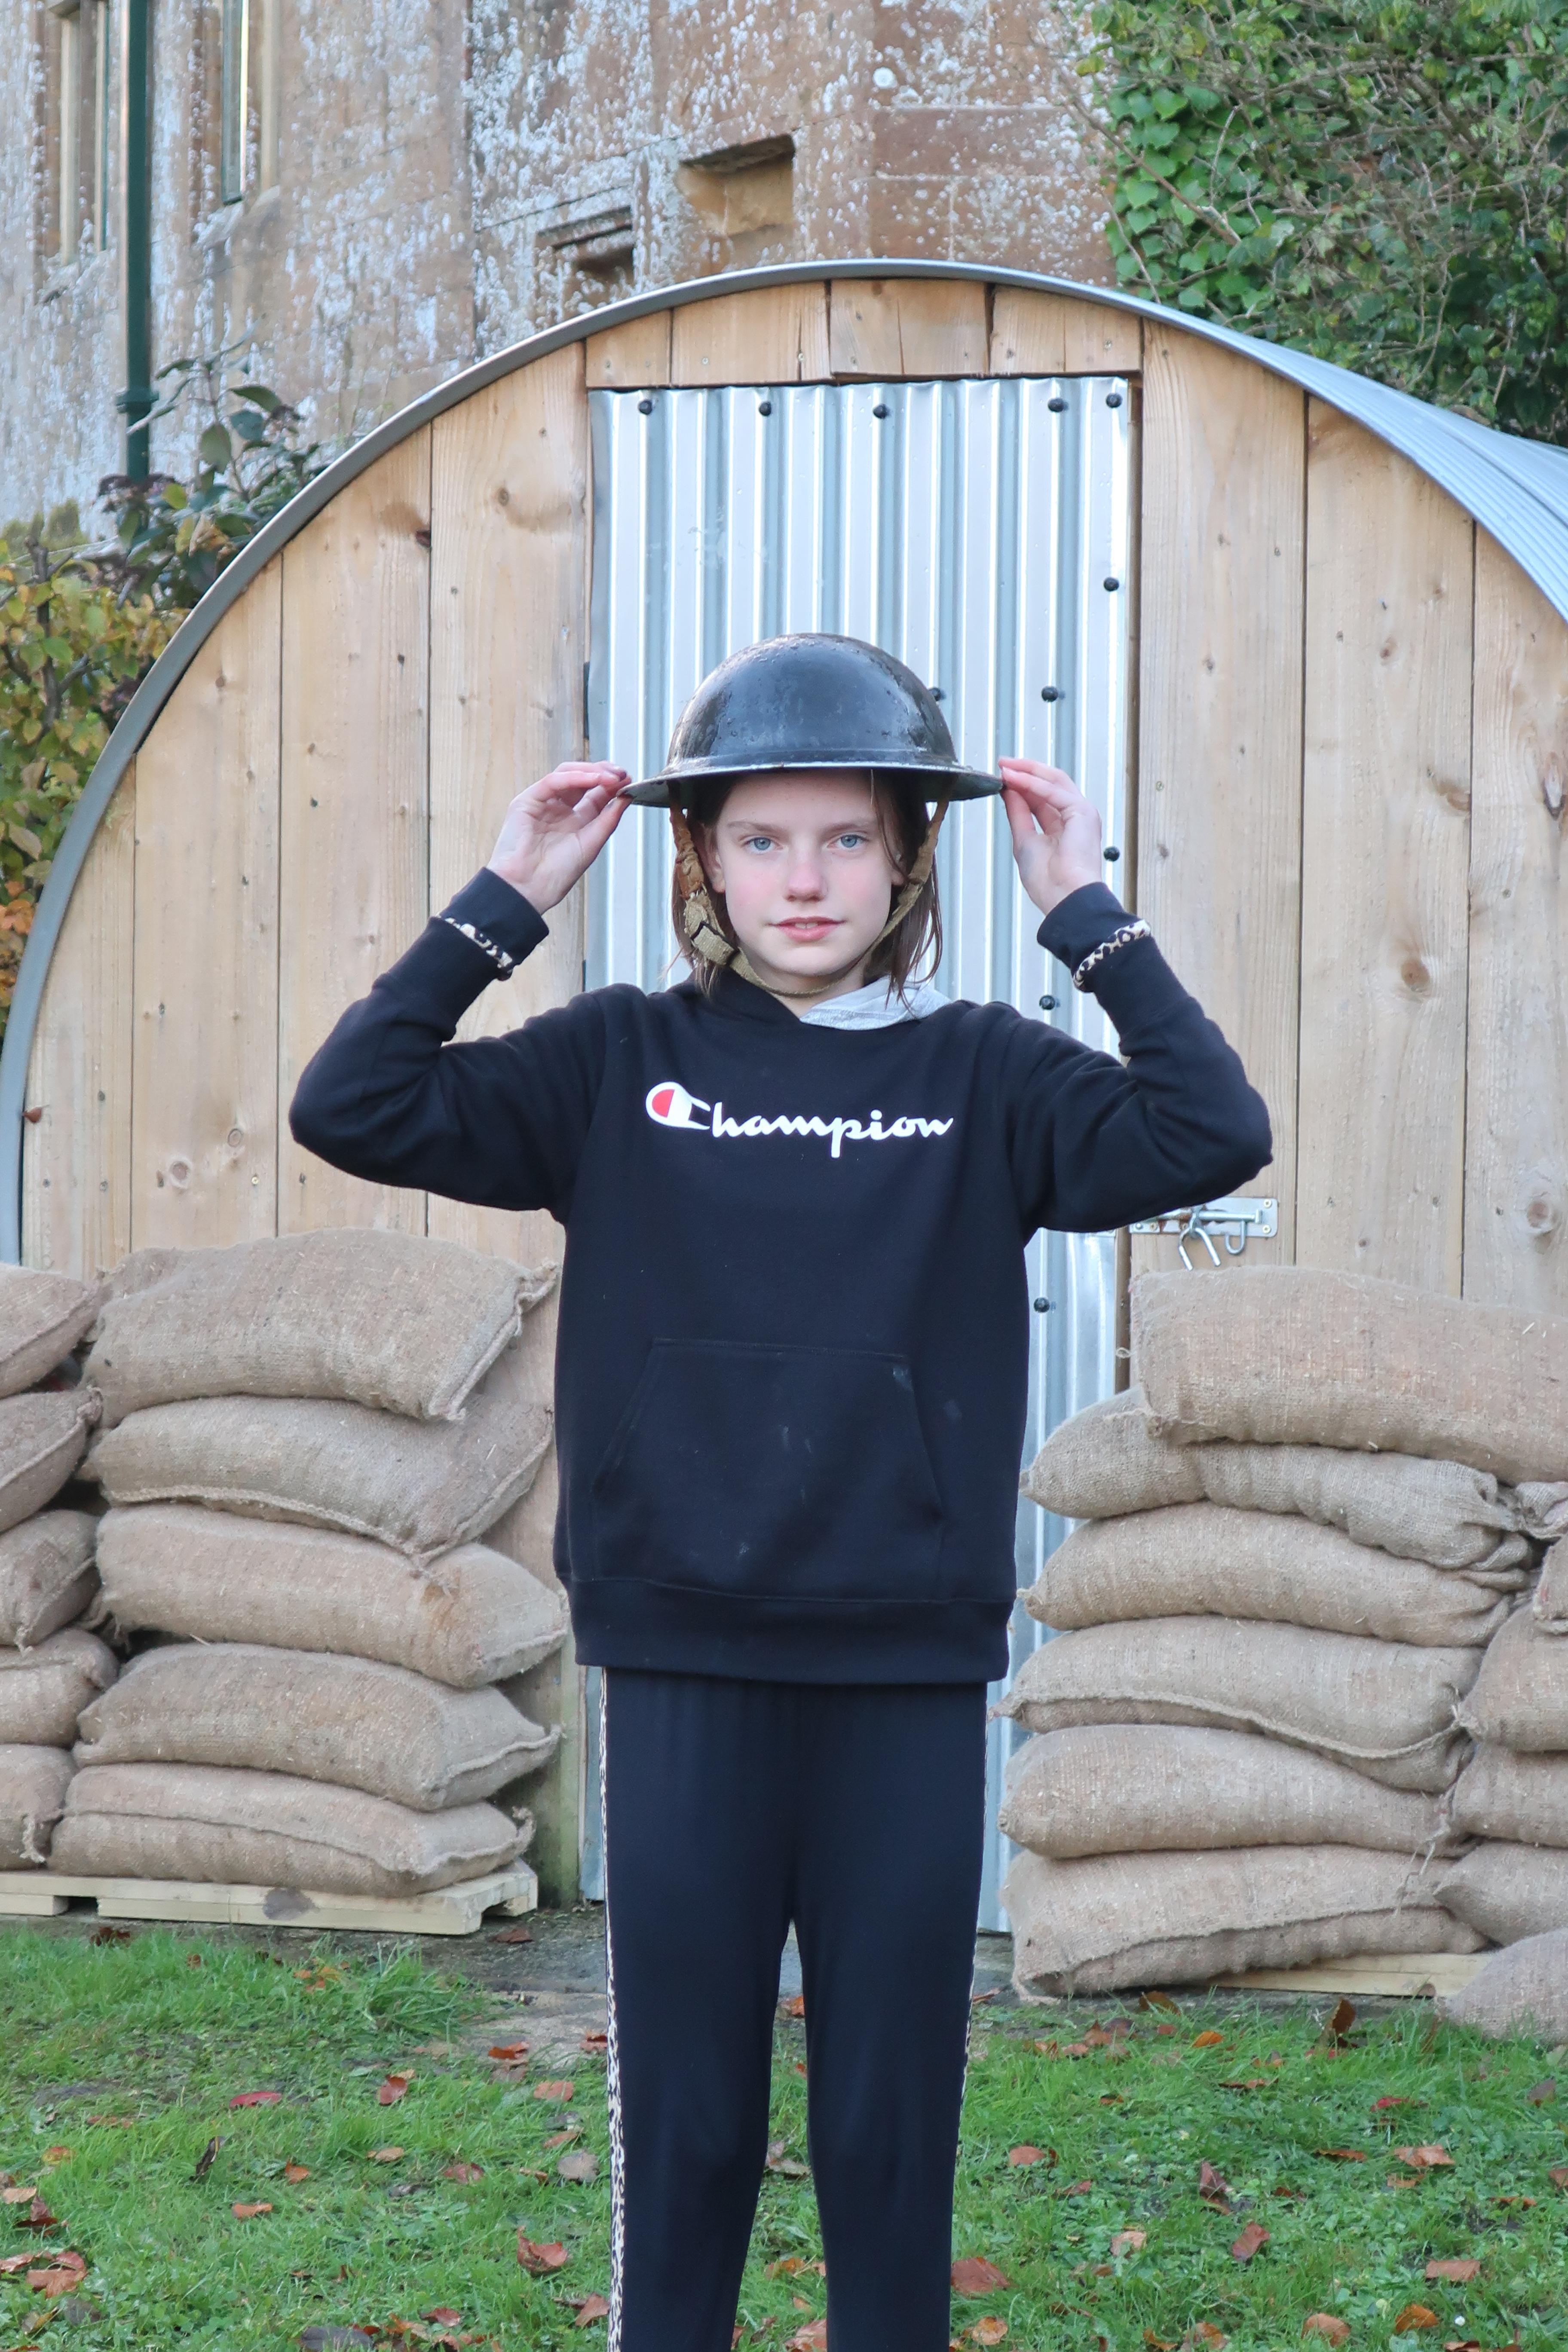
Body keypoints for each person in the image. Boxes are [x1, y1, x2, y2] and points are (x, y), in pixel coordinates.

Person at [290, 632, 1271, 2352]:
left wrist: (1086, 912)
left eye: (843, 839)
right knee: (690, 2126)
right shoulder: (614, 1061)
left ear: (907, 858)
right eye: (759, 839)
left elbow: (1211, 1135)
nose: (803, 879)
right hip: (685, 1664)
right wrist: (510, 898)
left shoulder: (990, 1075)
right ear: (701, 860)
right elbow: (353, 1104)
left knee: (889, 2130)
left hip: (905, 1668)